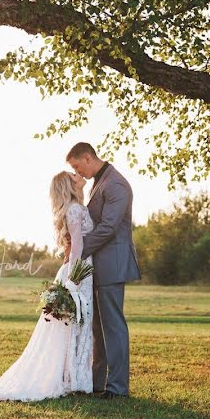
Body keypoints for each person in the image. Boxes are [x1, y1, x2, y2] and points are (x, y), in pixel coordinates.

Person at [0, 170, 94, 401]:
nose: (78, 178)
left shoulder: (74, 207)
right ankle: (74, 380)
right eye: (73, 177)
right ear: (67, 186)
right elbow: (77, 247)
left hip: (77, 269)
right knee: (78, 323)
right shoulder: (74, 210)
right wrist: (75, 279)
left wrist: (81, 188)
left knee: (76, 324)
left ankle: (73, 377)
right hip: (78, 271)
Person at [65, 142, 141, 398]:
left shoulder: (116, 184)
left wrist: (80, 251)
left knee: (113, 326)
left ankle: (117, 388)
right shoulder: (100, 181)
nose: (78, 173)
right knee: (98, 328)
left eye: (77, 167)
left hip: (112, 264)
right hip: (98, 265)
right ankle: (96, 384)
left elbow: (108, 228)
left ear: (87, 157)